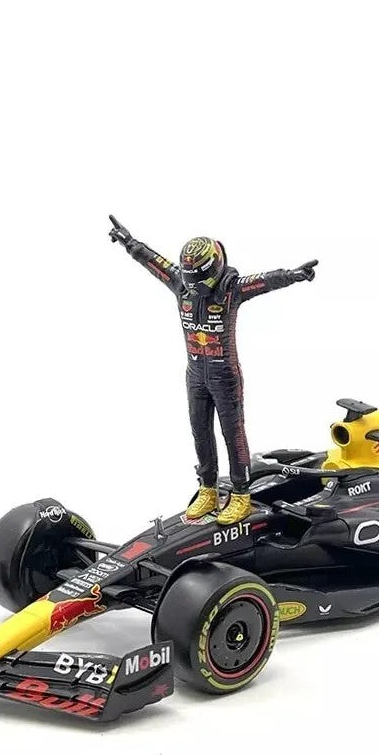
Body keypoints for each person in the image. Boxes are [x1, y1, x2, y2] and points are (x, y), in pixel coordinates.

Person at [108, 215, 317, 525]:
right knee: (200, 432)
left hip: (225, 377)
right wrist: (128, 242)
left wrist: (294, 275)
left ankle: (241, 494)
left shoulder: (232, 288)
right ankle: (208, 489)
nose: (196, 289)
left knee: (233, 434)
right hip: (194, 375)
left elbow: (265, 281)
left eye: (202, 282)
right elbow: (153, 261)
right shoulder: (180, 282)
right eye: (191, 282)